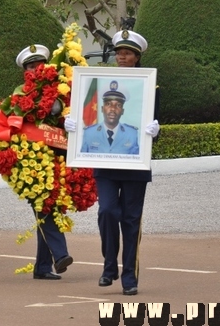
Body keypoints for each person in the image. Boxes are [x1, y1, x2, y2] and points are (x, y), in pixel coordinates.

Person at [66, 29, 160, 296]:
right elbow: (82, 114)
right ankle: (110, 266)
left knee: (131, 221)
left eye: (127, 53)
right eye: (119, 53)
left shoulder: (149, 85)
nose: (121, 57)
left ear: (137, 57)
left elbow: (155, 122)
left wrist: (156, 129)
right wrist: (72, 128)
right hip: (106, 166)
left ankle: (129, 277)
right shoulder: (101, 79)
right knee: (107, 211)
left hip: (135, 166)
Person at [15, 44, 74, 280]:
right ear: (25, 71)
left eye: (39, 65)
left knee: (49, 207)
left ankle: (42, 266)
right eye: (31, 66)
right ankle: (60, 255)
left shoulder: (61, 89)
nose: (36, 70)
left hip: (59, 155)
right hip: (32, 160)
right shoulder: (19, 95)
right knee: (44, 205)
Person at [80, 82, 139, 154]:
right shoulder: (89, 133)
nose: (113, 109)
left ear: (122, 111)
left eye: (118, 105)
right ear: (102, 108)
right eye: (108, 104)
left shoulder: (132, 134)